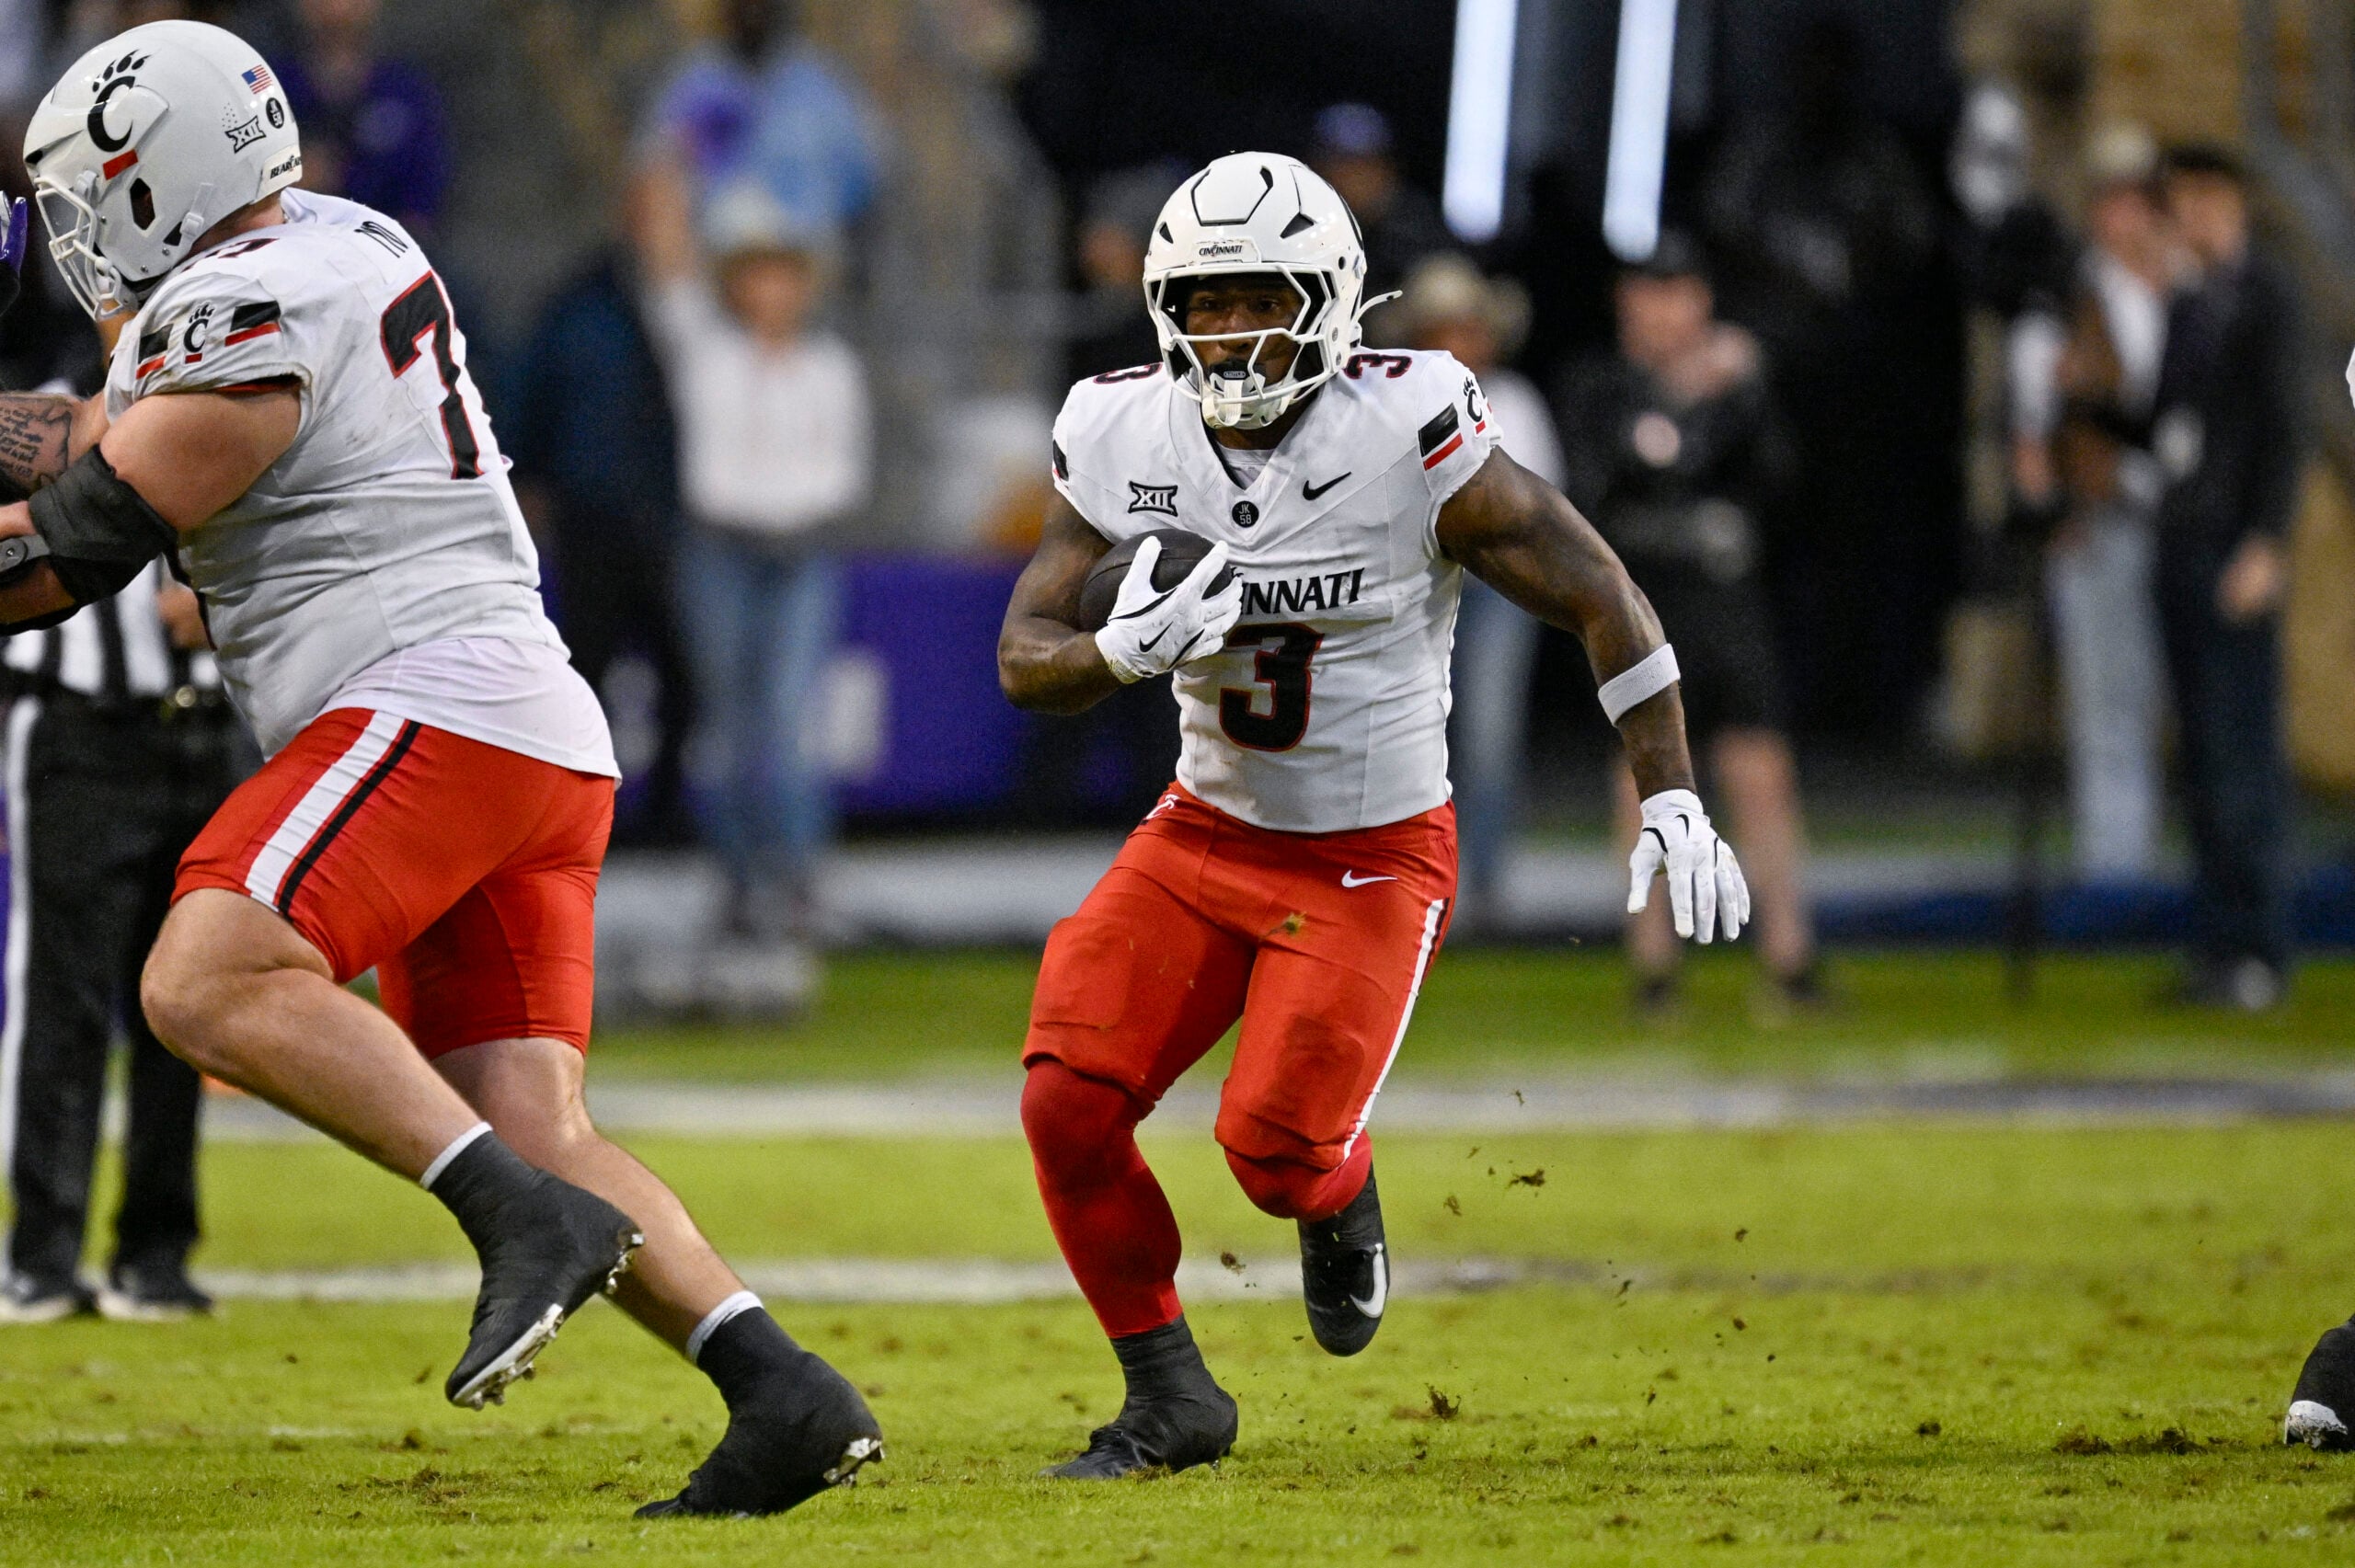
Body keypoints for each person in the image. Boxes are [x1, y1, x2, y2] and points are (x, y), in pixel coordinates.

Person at [0, 20, 877, 1515]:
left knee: (202, 977)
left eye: (93, 192)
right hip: (520, 727)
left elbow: (76, 546)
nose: (77, 232)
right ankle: (780, 1391)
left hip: (428, 706)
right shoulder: (336, 240)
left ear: (163, 185)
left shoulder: (241, 308)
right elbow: (87, 435)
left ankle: (510, 1224)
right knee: (532, 1121)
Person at [999, 153, 1749, 1478]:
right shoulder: (1122, 429)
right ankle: (1170, 1393)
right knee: (1065, 1098)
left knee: (1273, 1152)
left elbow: (1597, 587)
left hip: (1368, 855)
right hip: (1201, 830)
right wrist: (1117, 656)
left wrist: (1672, 785)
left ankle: (1338, 1191)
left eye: (1260, 297)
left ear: (1335, 298)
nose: (1232, 332)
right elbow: (1024, 652)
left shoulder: (1406, 426)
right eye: (1206, 302)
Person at [1553, 235, 1821, 1010]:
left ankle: (1788, 956)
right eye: (1649, 292)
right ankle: (1655, 966)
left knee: (1758, 765)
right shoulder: (1598, 383)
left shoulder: (1744, 382)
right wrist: (1684, 404)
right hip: (1639, 599)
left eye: (1679, 292)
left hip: (1723, 596)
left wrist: (1702, 412)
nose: (1665, 309)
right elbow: (1606, 478)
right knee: (1644, 776)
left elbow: (1777, 479)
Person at [0, 563, 248, 1323]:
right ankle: (39, 1256)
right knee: (60, 992)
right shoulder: (28, 441)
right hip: (79, 721)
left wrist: (231, 606)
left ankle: (155, 1253)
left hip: (208, 730)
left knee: (185, 1004)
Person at [635, 171, 872, 939]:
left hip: (798, 552)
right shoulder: (709, 353)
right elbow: (668, 275)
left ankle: (799, 882)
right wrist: (665, 181)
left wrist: (793, 506)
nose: (771, 290)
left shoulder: (831, 367)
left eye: (784, 275)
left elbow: (845, 469)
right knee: (731, 721)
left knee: (789, 716)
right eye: (756, 274)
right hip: (722, 550)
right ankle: (738, 884)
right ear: (737, 285)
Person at [2146, 143, 2304, 1011]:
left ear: (2233, 201)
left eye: (2203, 199)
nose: (2191, 218)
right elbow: (2170, 426)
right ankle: (2218, 946)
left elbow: (2286, 426)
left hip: (2233, 547)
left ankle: (2260, 948)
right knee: (2203, 757)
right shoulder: (2191, 300)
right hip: (2184, 544)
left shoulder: (2268, 297)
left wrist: (2269, 542)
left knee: (2243, 752)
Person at [506, 232, 696, 849]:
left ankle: (650, 809)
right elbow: (536, 394)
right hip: (598, 515)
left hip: (654, 518)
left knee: (676, 675)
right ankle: (586, 815)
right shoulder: (587, 313)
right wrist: (533, 475)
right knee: (590, 675)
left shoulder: (684, 305)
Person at [2022, 126, 2177, 882]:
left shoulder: (2189, 291)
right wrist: (2054, 508)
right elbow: (2031, 420)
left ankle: (2201, 874)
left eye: (2138, 201)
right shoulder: (2069, 298)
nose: (2126, 217)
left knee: (2194, 703)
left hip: (2185, 522)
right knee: (2109, 707)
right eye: (2111, 201)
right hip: (2105, 520)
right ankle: (2118, 874)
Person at [1393, 254, 1564, 933]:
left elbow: (1543, 510)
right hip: (1412, 587)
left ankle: (1482, 885)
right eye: (1445, 327)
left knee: (1488, 733)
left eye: (1469, 327)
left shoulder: (1514, 401)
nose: (1460, 341)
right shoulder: (1396, 402)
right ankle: (1410, 878)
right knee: (1409, 733)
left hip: (1493, 587)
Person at [639, 0, 881, 238]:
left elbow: (865, 173)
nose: (754, 11)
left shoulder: (819, 85)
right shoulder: (696, 83)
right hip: (717, 249)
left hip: (807, 248)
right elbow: (655, 171)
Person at [272, 0, 448, 234]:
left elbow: (423, 198)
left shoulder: (405, 91)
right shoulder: (271, 84)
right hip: (286, 245)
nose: (337, 8)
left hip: (385, 249)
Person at [1308, 103, 1450, 326]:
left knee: (1445, 285)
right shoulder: (1298, 218)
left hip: (1397, 326)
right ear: (1319, 169)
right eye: (1343, 164)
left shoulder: (1411, 218)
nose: (1355, 177)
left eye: (1364, 165)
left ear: (1385, 168)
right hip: (1321, 326)